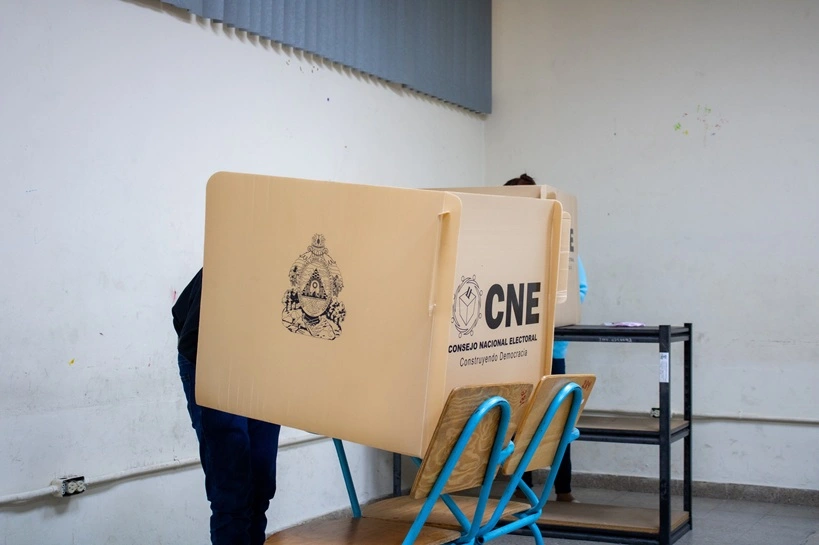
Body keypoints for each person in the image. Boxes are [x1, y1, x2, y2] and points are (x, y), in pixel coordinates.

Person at [173, 268, 282, 545]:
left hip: (260, 364)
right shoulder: (234, 255)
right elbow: (182, 318)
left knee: (261, 484)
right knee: (232, 488)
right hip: (210, 360)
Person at [504, 174, 588, 503]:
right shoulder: (505, 245)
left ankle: (563, 490)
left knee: (556, 423)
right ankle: (519, 490)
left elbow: (579, 290)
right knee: (517, 424)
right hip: (512, 352)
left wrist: (542, 312)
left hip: (551, 350)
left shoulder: (561, 244)